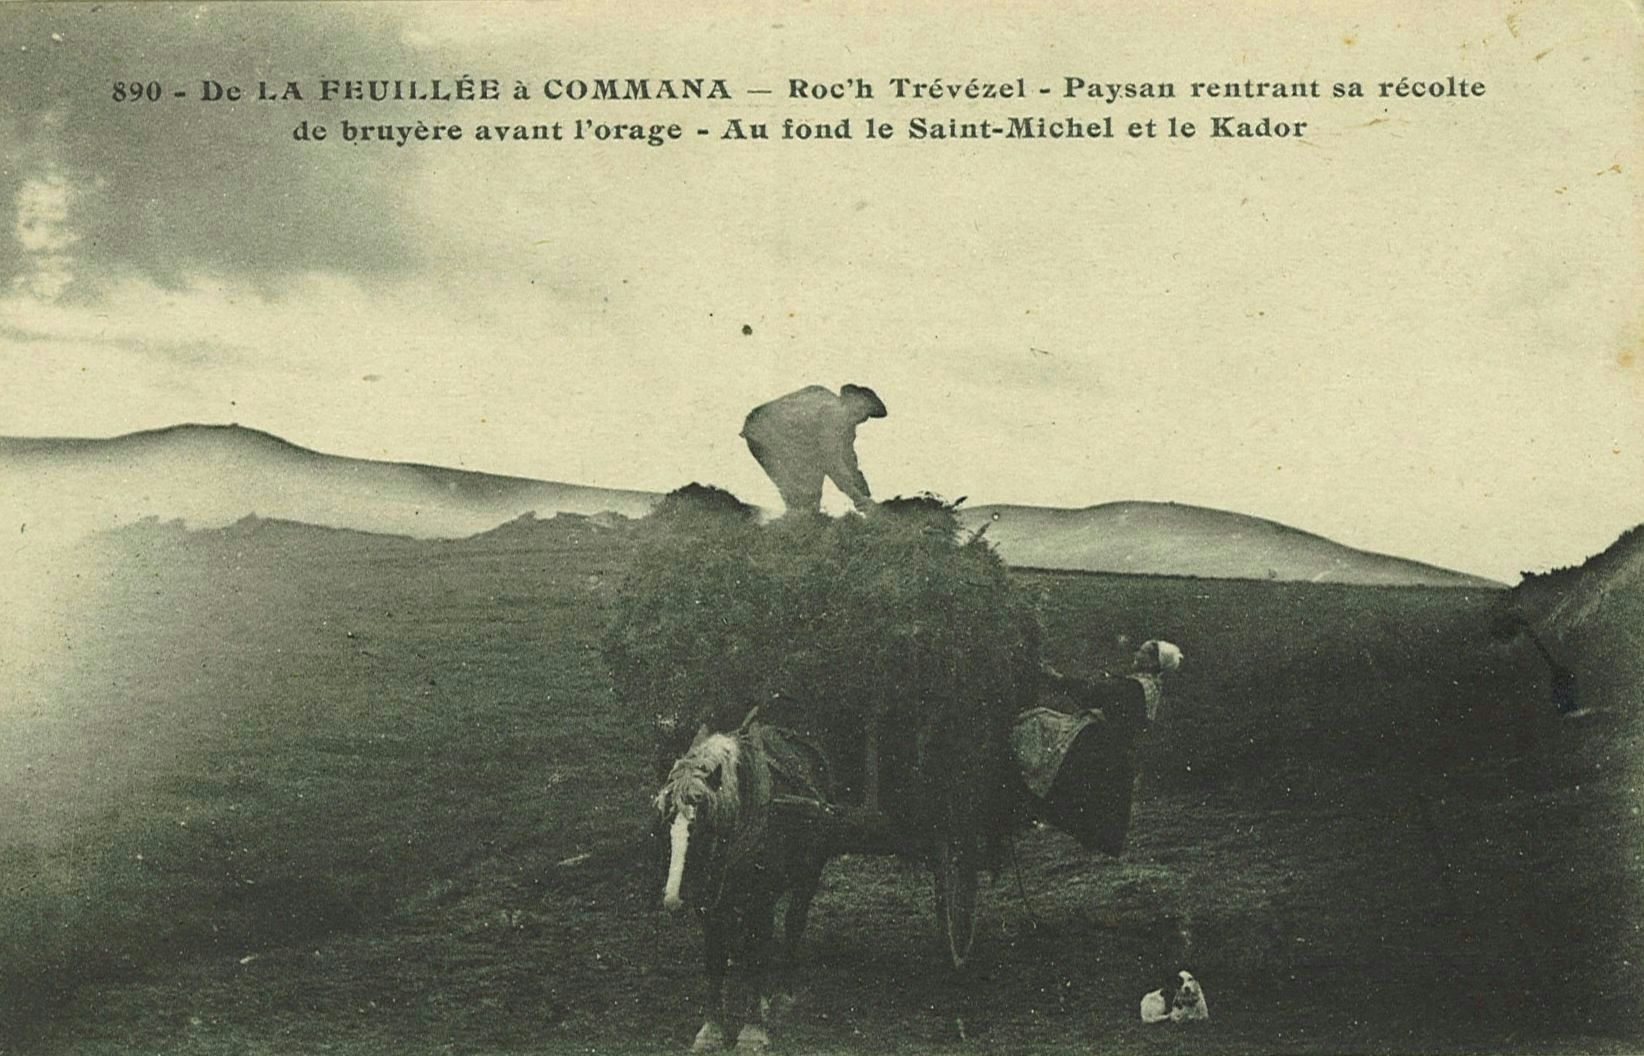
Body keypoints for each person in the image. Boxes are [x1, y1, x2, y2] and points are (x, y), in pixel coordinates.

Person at [740, 384, 887, 515]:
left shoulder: (843, 422)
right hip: (767, 435)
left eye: (866, 415)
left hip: (759, 431)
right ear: (850, 399)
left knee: (806, 493)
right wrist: (858, 498)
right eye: (861, 408)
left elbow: (848, 459)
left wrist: (864, 493)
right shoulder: (835, 411)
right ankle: (797, 525)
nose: (862, 417)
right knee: (806, 496)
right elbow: (831, 460)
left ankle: (797, 522)